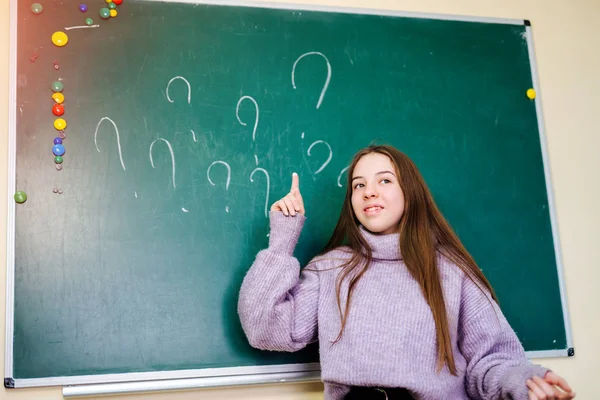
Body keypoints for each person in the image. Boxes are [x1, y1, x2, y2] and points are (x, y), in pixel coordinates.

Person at [238, 145, 575, 400]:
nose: (369, 191)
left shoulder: (449, 271)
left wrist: (525, 382)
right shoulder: (331, 268)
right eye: (358, 185)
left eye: (384, 180)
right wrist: (282, 239)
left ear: (409, 194)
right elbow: (263, 328)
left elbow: (491, 360)